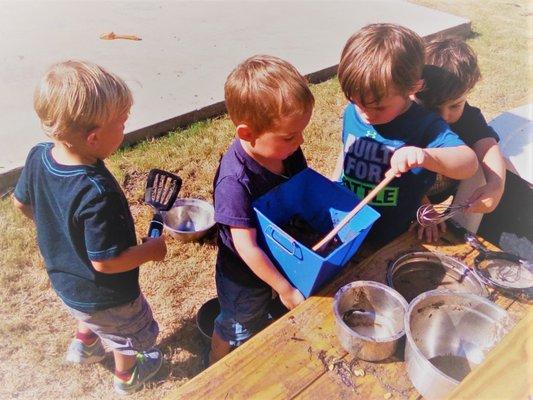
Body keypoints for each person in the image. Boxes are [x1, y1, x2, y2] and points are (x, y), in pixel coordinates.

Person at [12, 60, 167, 395]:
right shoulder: (97, 193)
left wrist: (57, 229)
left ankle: (85, 347)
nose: (125, 129)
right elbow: (106, 262)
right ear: (94, 138)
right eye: (122, 124)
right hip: (108, 294)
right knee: (128, 334)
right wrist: (151, 251)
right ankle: (128, 377)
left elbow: (21, 203)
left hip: (66, 282)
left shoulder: (38, 156)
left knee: (92, 315)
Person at [333, 23, 478, 245]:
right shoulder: (353, 112)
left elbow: (468, 163)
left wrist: (426, 156)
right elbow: (344, 157)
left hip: (392, 233)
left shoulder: (425, 124)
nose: (366, 113)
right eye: (356, 101)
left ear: (413, 88)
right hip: (347, 223)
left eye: (379, 107)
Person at [210, 55, 314, 364]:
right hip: (244, 276)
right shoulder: (234, 182)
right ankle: (215, 364)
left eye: (301, 132)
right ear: (247, 133)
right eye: (290, 136)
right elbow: (246, 247)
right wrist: (283, 288)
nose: (301, 141)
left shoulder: (287, 151)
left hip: (281, 254)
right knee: (236, 324)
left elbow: (302, 188)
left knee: (262, 314)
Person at [414, 38, 506, 240]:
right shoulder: (409, 117)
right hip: (405, 192)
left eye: (455, 105)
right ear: (415, 93)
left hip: (447, 189)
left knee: (483, 166)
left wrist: (495, 186)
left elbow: (488, 146)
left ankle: (461, 232)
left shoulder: (469, 118)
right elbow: (397, 169)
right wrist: (423, 205)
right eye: (433, 107)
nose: (444, 117)